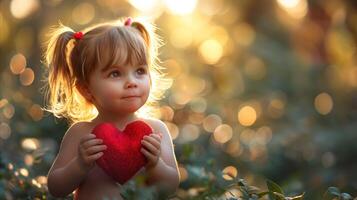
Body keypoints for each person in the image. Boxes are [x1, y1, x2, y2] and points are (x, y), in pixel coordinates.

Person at [42, 17, 180, 199]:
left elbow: (170, 187)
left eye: (140, 71)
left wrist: (155, 164)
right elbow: (56, 188)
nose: (132, 82)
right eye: (115, 73)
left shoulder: (155, 131)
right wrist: (80, 164)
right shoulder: (81, 133)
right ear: (86, 89)